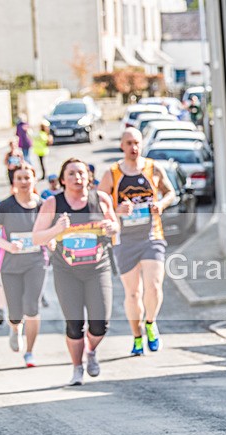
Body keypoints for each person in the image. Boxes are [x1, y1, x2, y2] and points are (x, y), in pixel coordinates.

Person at [32, 158, 119, 386]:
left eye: (81, 173)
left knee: (101, 324)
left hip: (98, 268)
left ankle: (90, 351)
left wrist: (112, 227)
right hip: (66, 271)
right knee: (74, 324)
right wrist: (56, 229)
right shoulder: (52, 204)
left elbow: (114, 224)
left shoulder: (100, 199)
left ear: (89, 177)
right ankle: (77, 367)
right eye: (71, 173)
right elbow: (36, 237)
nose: (77, 178)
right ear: (62, 179)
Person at [98, 128, 176, 356]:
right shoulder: (112, 173)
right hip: (124, 240)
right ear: (121, 146)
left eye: (137, 143)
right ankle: (137, 336)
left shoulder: (153, 168)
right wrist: (116, 209)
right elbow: (98, 204)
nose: (134, 147)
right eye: (129, 143)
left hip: (152, 235)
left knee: (153, 287)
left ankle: (150, 323)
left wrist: (161, 204)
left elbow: (171, 192)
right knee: (132, 293)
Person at [0, 163, 46, 367]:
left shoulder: (43, 205)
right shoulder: (5, 206)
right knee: (15, 311)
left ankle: (30, 352)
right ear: (14, 182)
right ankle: (15, 328)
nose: (24, 182)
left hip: (36, 263)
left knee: (32, 307)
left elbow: (51, 231)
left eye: (28, 178)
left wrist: (49, 241)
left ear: (34, 180)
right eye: (20, 178)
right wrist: (8, 245)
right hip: (10, 265)